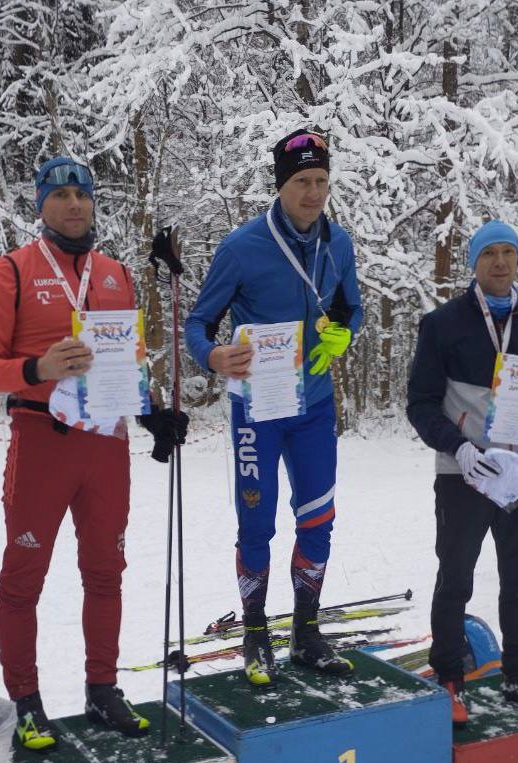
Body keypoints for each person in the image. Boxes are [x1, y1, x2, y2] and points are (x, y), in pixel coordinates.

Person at [0, 156, 187, 750]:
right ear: (41, 204)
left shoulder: (115, 273)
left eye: (83, 195)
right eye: (61, 195)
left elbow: (128, 362)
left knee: (106, 573)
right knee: (23, 579)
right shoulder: (12, 270)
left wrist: (152, 413)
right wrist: (36, 368)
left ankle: (102, 688)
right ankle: (25, 700)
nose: (74, 205)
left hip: (105, 447)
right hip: (43, 442)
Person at [185, 129, 362, 686]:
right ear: (281, 186)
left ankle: (306, 632)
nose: (313, 193)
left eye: (321, 181)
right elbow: (197, 323)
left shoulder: (339, 244)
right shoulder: (242, 247)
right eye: (302, 181)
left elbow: (351, 308)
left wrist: (344, 334)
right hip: (257, 408)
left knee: (318, 519)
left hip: (313, 407)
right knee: (256, 522)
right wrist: (213, 356)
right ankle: (256, 633)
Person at [406, 219, 518, 723]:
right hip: (465, 472)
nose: (500, 262)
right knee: (455, 577)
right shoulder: (443, 323)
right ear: (474, 263)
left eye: (508, 253)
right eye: (489, 253)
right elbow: (420, 403)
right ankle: (450, 679)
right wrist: (457, 447)